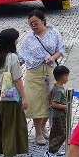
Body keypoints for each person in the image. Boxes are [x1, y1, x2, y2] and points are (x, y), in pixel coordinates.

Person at [19, 9, 66, 144]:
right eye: (31, 24)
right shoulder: (29, 38)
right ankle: (38, 132)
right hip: (34, 73)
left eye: (36, 22)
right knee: (35, 102)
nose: (33, 26)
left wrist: (53, 58)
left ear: (43, 21)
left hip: (50, 71)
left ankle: (43, 125)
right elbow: (22, 57)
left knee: (50, 101)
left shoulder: (54, 33)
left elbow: (61, 49)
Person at [0, 27, 29, 157]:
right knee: (10, 126)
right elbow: (17, 79)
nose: (18, 40)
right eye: (16, 38)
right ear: (12, 41)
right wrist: (24, 97)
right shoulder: (13, 57)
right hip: (8, 97)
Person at [46, 65, 71, 157]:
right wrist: (65, 106)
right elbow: (54, 103)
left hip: (58, 114)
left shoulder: (57, 87)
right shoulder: (59, 91)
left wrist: (50, 104)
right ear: (64, 77)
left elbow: (49, 95)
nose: (68, 78)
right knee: (63, 133)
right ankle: (51, 151)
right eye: (67, 76)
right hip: (59, 115)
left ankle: (54, 149)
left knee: (55, 132)